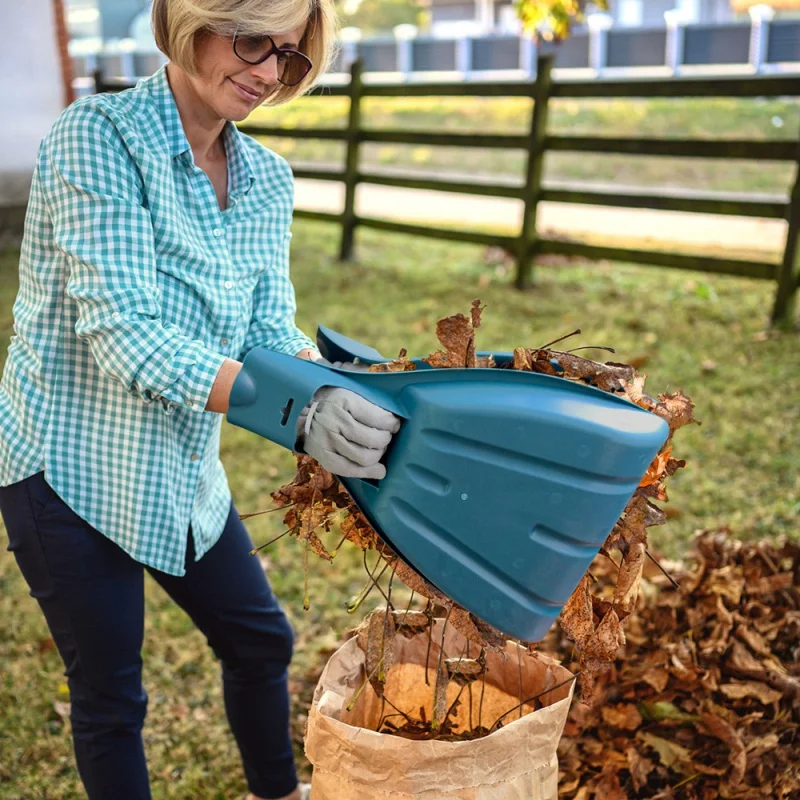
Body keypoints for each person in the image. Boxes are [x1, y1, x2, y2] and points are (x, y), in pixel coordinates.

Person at [0, 1, 400, 798]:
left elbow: (266, 326)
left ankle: (276, 792)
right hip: (68, 468)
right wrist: (293, 413)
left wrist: (333, 387)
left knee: (260, 642)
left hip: (180, 471)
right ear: (194, 21)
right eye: (253, 41)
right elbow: (124, 334)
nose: (265, 72)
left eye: (287, 58)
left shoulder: (265, 180)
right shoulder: (98, 139)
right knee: (112, 697)